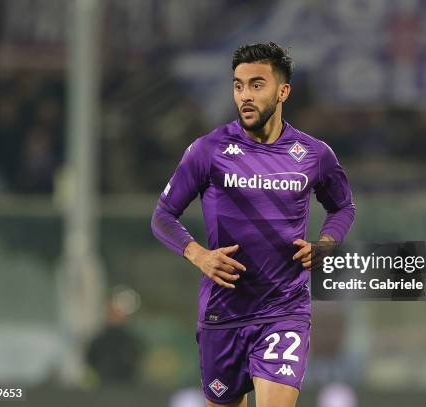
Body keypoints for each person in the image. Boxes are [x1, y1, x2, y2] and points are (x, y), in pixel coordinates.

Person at [151, 42, 355, 407]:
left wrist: (327, 243)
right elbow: (163, 216)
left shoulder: (313, 154)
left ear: (282, 91)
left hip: (284, 309)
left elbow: (343, 207)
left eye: (257, 84)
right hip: (223, 311)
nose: (245, 95)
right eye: (238, 85)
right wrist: (199, 255)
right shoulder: (208, 150)